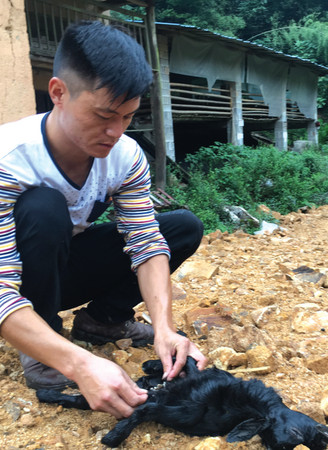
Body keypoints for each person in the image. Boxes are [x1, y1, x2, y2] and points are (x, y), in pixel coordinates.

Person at [0, 20, 207, 419]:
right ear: (58, 93)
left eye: (127, 117)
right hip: (22, 280)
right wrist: (77, 364)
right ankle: (43, 351)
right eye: (103, 115)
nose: (115, 131)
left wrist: (165, 328)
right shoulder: (10, 160)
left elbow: (145, 243)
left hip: (65, 266)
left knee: (181, 226)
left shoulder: (126, 157)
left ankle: (103, 320)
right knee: (42, 207)